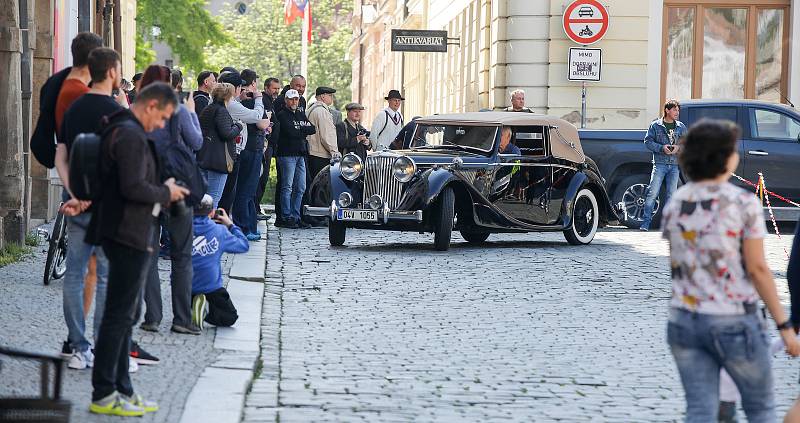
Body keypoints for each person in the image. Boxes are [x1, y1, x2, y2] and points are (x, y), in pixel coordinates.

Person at [661, 119, 800, 422]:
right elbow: (758, 269)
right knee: (760, 408)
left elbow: (679, 266)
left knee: (701, 410)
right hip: (734, 319)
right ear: (725, 158)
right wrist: (785, 326)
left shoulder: (675, 203)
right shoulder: (742, 203)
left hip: (684, 319)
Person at [85, 82, 189, 417]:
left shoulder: (125, 129)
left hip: (129, 230)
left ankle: (122, 389)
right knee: (119, 317)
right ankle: (104, 393)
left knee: (124, 316)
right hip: (126, 233)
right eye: (163, 118)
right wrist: (166, 193)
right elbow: (132, 187)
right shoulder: (129, 134)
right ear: (151, 105)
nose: (162, 125)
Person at [54, 41, 114, 370]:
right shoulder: (117, 111)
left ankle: (77, 345)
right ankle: (100, 345)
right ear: (114, 72)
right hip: (104, 207)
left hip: (74, 202)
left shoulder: (74, 106)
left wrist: (73, 191)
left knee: (74, 275)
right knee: (103, 275)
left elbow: (60, 154)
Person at [137, 64, 204, 336]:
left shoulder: (140, 110)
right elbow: (197, 142)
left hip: (149, 186)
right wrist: (192, 114)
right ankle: (181, 318)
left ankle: (152, 316)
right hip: (179, 187)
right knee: (182, 256)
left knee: (149, 255)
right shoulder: (178, 109)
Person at [190, 195, 249, 330]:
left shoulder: (181, 228)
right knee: (230, 317)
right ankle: (205, 313)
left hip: (185, 286)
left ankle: (192, 307)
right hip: (210, 285)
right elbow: (244, 245)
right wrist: (230, 224)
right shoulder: (219, 231)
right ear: (212, 212)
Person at [218, 70, 269, 213]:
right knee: (226, 194)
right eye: (240, 87)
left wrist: (239, 98)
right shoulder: (231, 105)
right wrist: (259, 99)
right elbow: (256, 117)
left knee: (226, 193)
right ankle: (223, 227)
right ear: (234, 88)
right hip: (231, 153)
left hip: (228, 153)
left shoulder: (225, 102)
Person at [233, 69, 271, 240]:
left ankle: (249, 226)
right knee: (247, 190)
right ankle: (245, 227)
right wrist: (267, 117)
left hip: (248, 148)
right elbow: (262, 123)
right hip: (251, 149)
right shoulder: (252, 102)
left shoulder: (240, 101)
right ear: (253, 83)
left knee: (246, 190)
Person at [640, 99, 686, 231]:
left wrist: (678, 148)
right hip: (659, 164)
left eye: (678, 110)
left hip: (675, 165)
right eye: (674, 110)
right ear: (667, 110)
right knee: (652, 193)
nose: (677, 112)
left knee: (672, 195)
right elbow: (647, 142)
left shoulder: (681, 126)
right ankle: (645, 223)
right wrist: (661, 148)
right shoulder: (655, 125)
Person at [273, 89, 316, 229]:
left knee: (301, 187)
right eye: (291, 99)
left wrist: (299, 128)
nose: (294, 102)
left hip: (300, 154)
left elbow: (312, 129)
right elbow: (291, 132)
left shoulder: (300, 113)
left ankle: (296, 216)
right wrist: (301, 128)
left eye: (296, 99)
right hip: (286, 155)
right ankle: (286, 217)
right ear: (286, 100)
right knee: (287, 187)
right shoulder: (281, 115)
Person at [198, 83, 244, 208]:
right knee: (213, 199)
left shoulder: (207, 109)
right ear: (227, 97)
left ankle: (200, 225)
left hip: (204, 158)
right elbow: (226, 133)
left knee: (203, 199)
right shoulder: (221, 111)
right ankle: (209, 226)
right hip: (218, 161)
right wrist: (238, 126)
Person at [305, 86, 339, 225]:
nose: (331, 98)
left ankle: (314, 216)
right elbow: (327, 135)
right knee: (321, 187)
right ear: (323, 96)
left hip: (313, 151)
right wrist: (334, 152)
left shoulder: (311, 109)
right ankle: (318, 217)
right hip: (321, 153)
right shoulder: (322, 112)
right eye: (330, 95)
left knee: (313, 185)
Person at [254, 77, 281, 220]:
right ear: (266, 88)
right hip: (264, 145)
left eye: (278, 88)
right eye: (274, 88)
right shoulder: (263, 101)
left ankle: (256, 207)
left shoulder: (272, 102)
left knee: (263, 179)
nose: (276, 91)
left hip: (270, 145)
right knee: (260, 178)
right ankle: (255, 208)